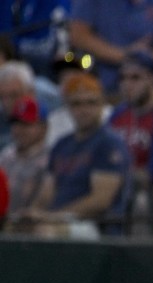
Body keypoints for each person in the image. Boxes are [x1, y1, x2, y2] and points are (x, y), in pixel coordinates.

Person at [20, 71, 130, 237]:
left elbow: (101, 200)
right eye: (77, 104)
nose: (84, 110)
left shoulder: (109, 143)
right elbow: (47, 192)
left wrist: (53, 217)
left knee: (46, 231)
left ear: (102, 104)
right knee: (16, 229)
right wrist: (32, 214)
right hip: (58, 219)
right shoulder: (62, 144)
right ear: (67, 106)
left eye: (91, 103)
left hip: (97, 226)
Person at [107, 49, 153, 229]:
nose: (127, 85)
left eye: (135, 78)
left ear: (152, 78)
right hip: (119, 184)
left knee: (140, 203)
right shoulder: (118, 114)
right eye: (123, 78)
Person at [66, 0, 153, 98]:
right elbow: (78, 35)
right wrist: (125, 55)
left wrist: (142, 58)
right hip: (103, 87)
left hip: (152, 91)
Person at [0, 94, 50, 224]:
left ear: (44, 128)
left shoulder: (50, 157)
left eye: (27, 124)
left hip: (31, 227)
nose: (19, 130)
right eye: (16, 123)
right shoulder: (6, 155)